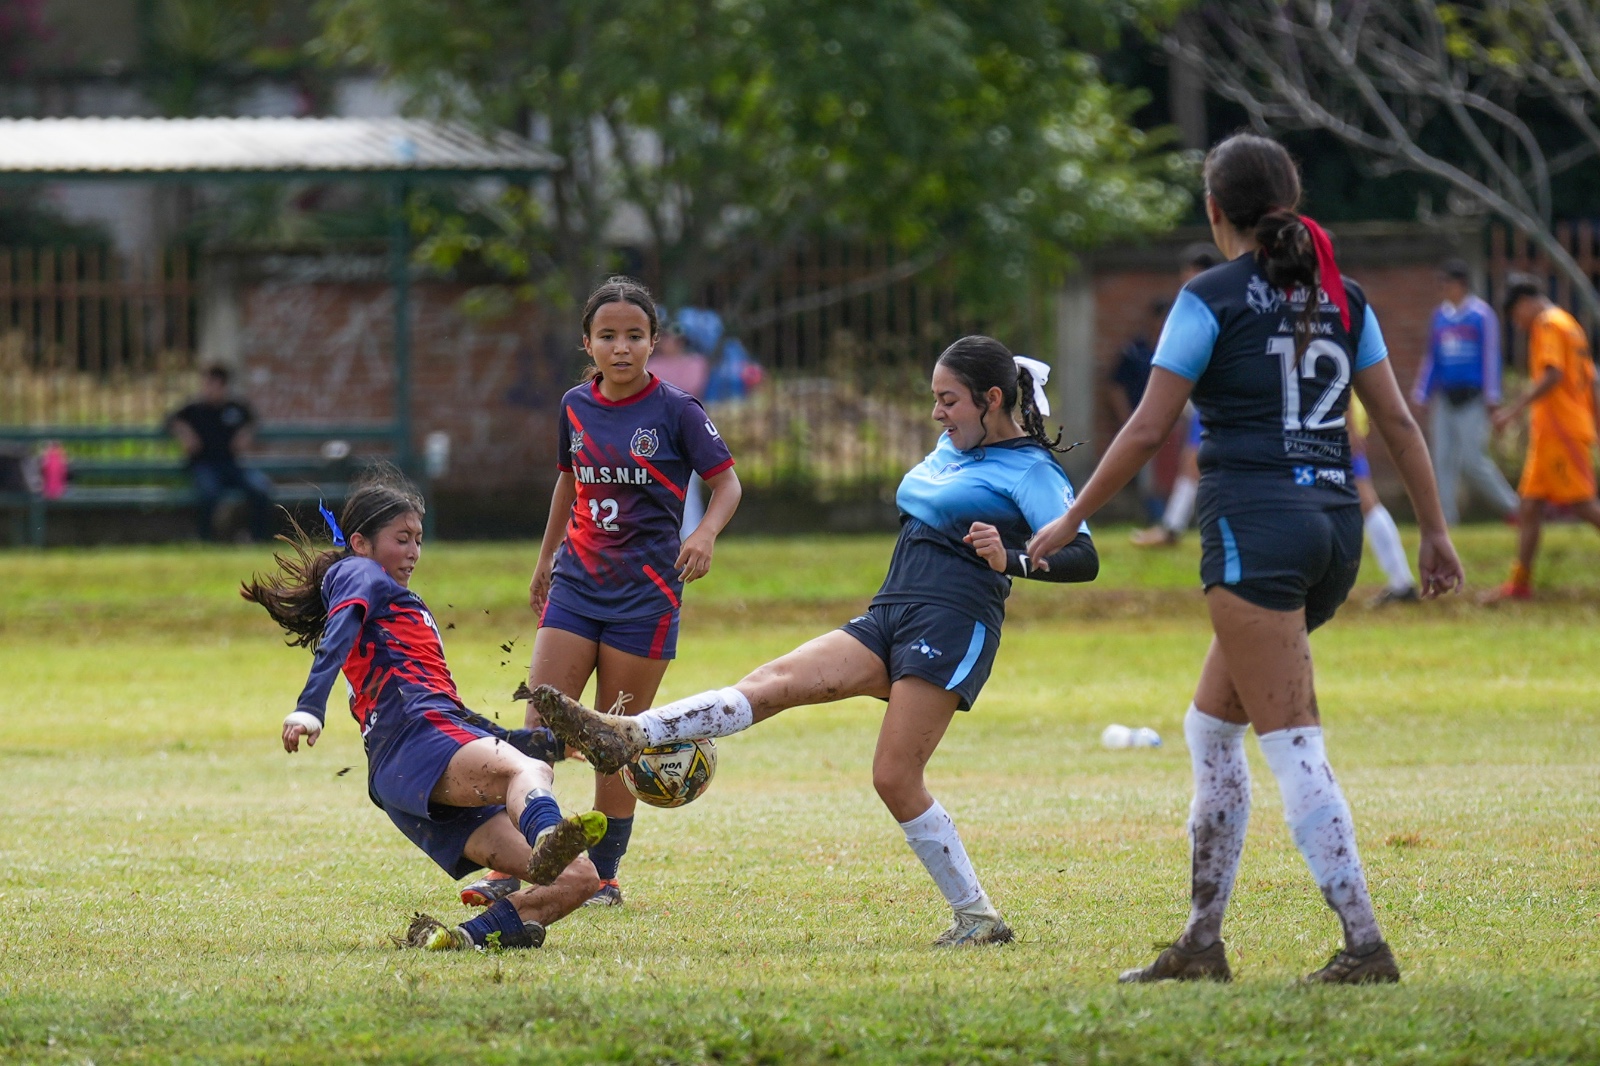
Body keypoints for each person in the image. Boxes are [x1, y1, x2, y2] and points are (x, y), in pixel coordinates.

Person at [1028, 133, 1463, 984]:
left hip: (1255, 531)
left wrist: (1071, 516)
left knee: (1293, 742)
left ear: (1214, 210)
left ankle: (1366, 946)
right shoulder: (1345, 294)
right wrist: (1435, 533)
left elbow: (1150, 426)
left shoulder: (1209, 297)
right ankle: (1199, 943)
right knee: (1210, 728)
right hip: (1334, 529)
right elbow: (1401, 425)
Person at [531, 338, 1099, 948]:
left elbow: (1084, 556)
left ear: (991, 400)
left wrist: (1010, 557)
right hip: (890, 612)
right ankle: (628, 735)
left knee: (894, 776)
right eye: (935, 399)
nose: (937, 413)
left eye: (948, 400)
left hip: (954, 624)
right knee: (771, 683)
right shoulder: (952, 448)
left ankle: (979, 919)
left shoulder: (1032, 470)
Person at [459, 277, 743, 911]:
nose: (622, 347)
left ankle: (604, 877)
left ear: (653, 343)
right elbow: (568, 481)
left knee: (611, 739)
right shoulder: (575, 405)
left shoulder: (678, 410)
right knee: (536, 732)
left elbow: (728, 485)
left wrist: (703, 535)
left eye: (634, 336)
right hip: (578, 584)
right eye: (608, 336)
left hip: (645, 596)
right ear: (587, 343)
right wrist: (544, 559)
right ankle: (517, 866)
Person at [242, 472, 608, 951]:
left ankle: (464, 938)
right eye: (401, 538)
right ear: (361, 543)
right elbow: (338, 632)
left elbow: (455, 713)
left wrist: (551, 742)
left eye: (418, 538)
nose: (414, 551)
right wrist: (310, 707)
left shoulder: (398, 602)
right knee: (529, 772)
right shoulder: (358, 572)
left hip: (415, 764)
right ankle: (546, 834)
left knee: (580, 878)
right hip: (417, 743)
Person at [1485, 275, 1600, 601]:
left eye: (1516, 317)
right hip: (1552, 432)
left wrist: (1513, 410)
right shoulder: (1570, 324)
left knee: (1583, 504)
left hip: (1561, 430)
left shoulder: (1548, 324)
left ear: (1524, 302)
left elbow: (1553, 373)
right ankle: (1519, 583)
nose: (1519, 325)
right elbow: (1590, 380)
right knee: (1530, 505)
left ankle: (1520, 582)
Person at [1412, 259, 1520, 525]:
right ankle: (1446, 520)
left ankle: (1514, 509)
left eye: (1446, 283)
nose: (1443, 289)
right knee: (1442, 461)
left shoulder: (1481, 315)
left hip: (1473, 398)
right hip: (1445, 398)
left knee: (1473, 461)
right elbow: (1432, 358)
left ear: (1461, 285)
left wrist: (1492, 397)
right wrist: (1422, 393)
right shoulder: (1440, 316)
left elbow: (1490, 356)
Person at [1131, 243, 1225, 547]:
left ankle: (1172, 529)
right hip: (1208, 399)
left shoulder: (1213, 309)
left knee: (1194, 462)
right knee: (1194, 462)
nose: (1186, 285)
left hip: (1219, 400)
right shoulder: (1213, 305)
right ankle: (1173, 528)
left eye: (1191, 278)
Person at [167, 365, 275, 541]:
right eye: (206, 383)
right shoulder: (194, 409)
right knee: (209, 493)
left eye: (212, 383)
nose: (207, 388)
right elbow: (170, 419)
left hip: (231, 465)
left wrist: (246, 433)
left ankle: (259, 538)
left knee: (260, 489)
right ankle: (206, 538)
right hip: (203, 465)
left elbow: (253, 420)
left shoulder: (236, 408)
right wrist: (185, 432)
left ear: (223, 385)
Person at [1350, 397, 1420, 605]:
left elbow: (1340, 384)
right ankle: (1401, 582)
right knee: (1366, 502)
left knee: (1367, 503)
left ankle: (1401, 582)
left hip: (1335, 433)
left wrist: (1350, 428)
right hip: (1336, 429)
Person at [1108, 299, 1168, 522]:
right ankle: (1158, 518)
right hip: (1143, 420)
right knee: (1147, 475)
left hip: (1172, 422)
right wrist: (1126, 417)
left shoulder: (1176, 350)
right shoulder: (1135, 351)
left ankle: (1173, 517)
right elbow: (1115, 386)